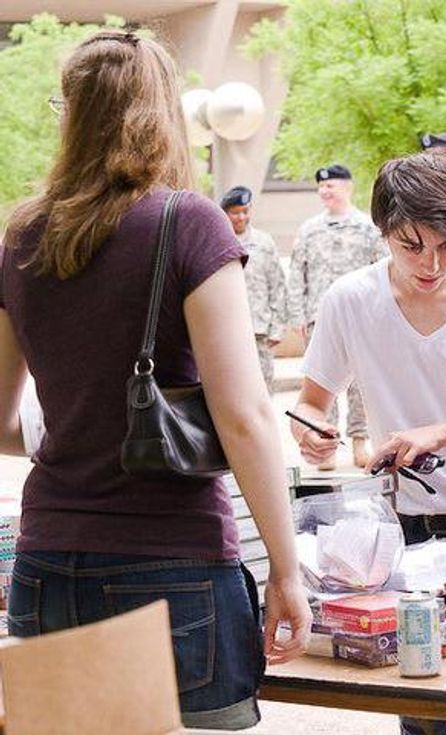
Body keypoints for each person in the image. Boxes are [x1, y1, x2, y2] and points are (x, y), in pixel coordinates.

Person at [0, 31, 309, 729]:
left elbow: (0, 421)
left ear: (71, 116)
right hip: (173, 566)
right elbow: (245, 416)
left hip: (46, 563)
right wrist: (287, 572)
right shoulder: (187, 223)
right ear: (163, 113)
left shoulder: (21, 237)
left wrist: (77, 428)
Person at [289, 153, 446, 735]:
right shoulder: (350, 299)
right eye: (411, 246)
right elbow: (310, 402)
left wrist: (440, 432)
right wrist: (309, 432)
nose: (430, 263)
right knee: (422, 711)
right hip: (403, 532)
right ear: (382, 230)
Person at [286, 163, 385, 468]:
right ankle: (324, 445)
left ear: (347, 187)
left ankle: (359, 440)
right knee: (319, 381)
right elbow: (297, 273)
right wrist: (297, 314)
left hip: (361, 317)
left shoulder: (368, 227)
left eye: (331, 186)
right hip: (318, 317)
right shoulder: (310, 229)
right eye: (321, 186)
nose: (324, 191)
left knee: (359, 383)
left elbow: (381, 271)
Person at [220, 185, 287, 392]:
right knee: (231, 390)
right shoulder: (218, 242)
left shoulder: (263, 242)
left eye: (245, 211)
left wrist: (277, 327)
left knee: (263, 390)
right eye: (235, 212)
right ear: (225, 213)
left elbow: (277, 285)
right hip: (227, 330)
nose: (241, 217)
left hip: (259, 330)